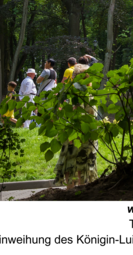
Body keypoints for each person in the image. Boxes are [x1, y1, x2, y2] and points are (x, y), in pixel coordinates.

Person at [54, 61, 98, 189]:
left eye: (73, 76)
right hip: (82, 136)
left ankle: (74, 194)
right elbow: (77, 116)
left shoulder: (81, 93)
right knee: (79, 166)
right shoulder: (82, 93)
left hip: (79, 136)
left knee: (73, 165)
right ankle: (76, 194)